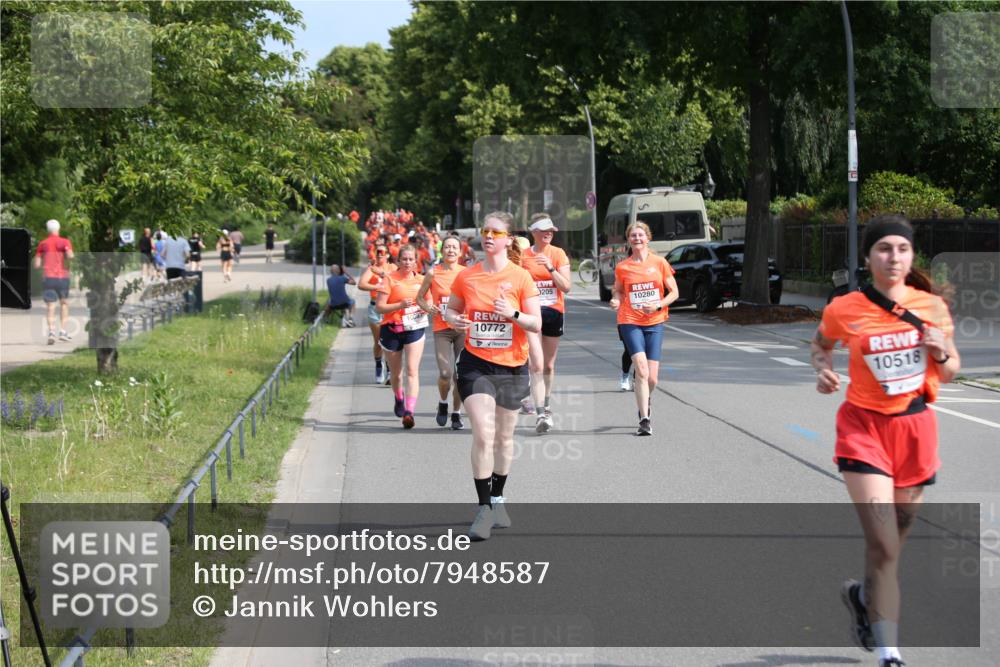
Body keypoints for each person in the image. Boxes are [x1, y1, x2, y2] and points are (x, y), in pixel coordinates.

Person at [810, 215, 959, 667]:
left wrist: (939, 350)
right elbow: (820, 344)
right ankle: (890, 651)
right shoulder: (845, 307)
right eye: (883, 249)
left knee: (893, 543)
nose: (893, 257)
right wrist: (823, 369)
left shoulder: (931, 307)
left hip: (914, 430)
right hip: (863, 429)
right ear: (868, 256)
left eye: (901, 249)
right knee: (885, 544)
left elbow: (951, 371)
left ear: (912, 256)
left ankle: (861, 596)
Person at [443, 211, 541, 541]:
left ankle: (498, 497)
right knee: (484, 434)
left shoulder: (521, 278)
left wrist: (512, 314)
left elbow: (536, 323)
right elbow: (452, 309)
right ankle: (484, 508)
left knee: (503, 438)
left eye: (495, 232)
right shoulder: (467, 277)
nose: (488, 236)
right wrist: (455, 320)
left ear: (508, 239)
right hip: (476, 363)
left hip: (512, 366)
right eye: (485, 230)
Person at [609, 221, 679, 436]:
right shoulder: (623, 266)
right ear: (628, 240)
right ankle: (645, 419)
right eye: (633, 236)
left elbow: (674, 292)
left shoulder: (659, 263)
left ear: (648, 238)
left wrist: (657, 305)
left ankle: (645, 401)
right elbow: (618, 291)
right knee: (641, 368)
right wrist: (615, 299)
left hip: (654, 322)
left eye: (640, 235)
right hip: (629, 320)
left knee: (652, 379)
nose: (637, 239)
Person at [521, 215, 572, 433]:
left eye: (551, 230)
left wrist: (551, 268)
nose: (548, 233)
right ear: (533, 232)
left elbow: (566, 287)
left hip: (553, 313)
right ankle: (541, 411)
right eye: (544, 230)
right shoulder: (523, 257)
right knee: (536, 364)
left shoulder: (558, 254)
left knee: (549, 365)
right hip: (532, 315)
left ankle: (547, 402)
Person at [375, 245, 427, 429]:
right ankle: (399, 398)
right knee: (397, 374)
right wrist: (399, 305)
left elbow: (429, 302)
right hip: (392, 329)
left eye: (410, 259)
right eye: (403, 259)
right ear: (398, 261)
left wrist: (427, 307)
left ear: (415, 261)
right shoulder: (389, 279)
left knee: (412, 371)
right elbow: (379, 307)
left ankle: (409, 412)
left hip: (414, 328)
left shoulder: (422, 280)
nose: (407, 262)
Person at [416, 235, 465, 430]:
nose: (451, 250)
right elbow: (419, 298)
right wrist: (428, 307)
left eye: (454, 247)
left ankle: (456, 413)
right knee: (445, 373)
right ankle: (443, 403)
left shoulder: (466, 274)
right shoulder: (432, 273)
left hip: (462, 329)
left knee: (460, 375)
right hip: (442, 329)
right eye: (447, 247)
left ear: (460, 252)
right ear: (441, 251)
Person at [358, 245, 397, 384]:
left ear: (387, 255)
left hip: (389, 308)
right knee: (379, 342)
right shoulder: (371, 268)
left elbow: (397, 281)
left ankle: (389, 371)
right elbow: (361, 284)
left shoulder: (392, 268)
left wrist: (382, 274)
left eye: (382, 252)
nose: (380, 254)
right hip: (375, 307)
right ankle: (379, 364)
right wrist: (376, 287)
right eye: (377, 252)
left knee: (389, 341)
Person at [33, 219, 74, 344]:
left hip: (48, 277)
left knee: (51, 306)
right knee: (64, 304)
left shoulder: (42, 244)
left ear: (47, 230)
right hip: (62, 277)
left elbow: (36, 264)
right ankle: (62, 331)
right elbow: (70, 256)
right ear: (59, 229)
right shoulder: (65, 242)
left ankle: (51, 331)